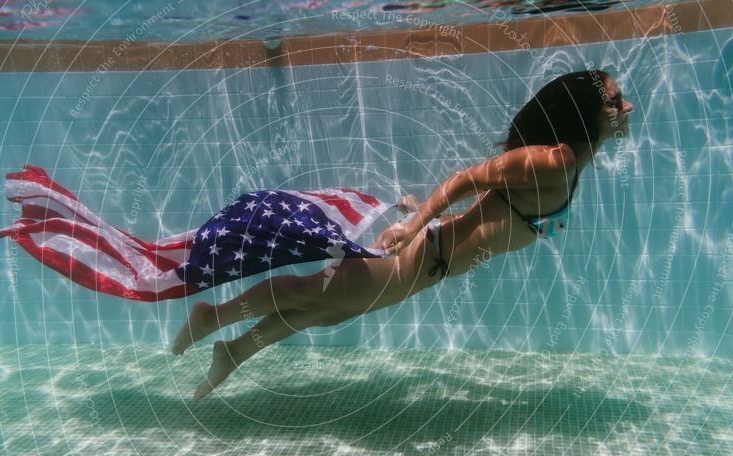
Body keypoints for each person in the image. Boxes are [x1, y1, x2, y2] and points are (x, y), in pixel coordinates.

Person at [171, 70, 634, 400]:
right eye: (614, 101)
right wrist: (416, 223)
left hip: (430, 260)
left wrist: (425, 219)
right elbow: (465, 179)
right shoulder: (556, 161)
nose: (626, 106)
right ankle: (213, 317)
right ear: (585, 114)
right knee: (315, 295)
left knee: (323, 310)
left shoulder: (572, 165)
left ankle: (232, 350)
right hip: (421, 254)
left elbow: (492, 209)